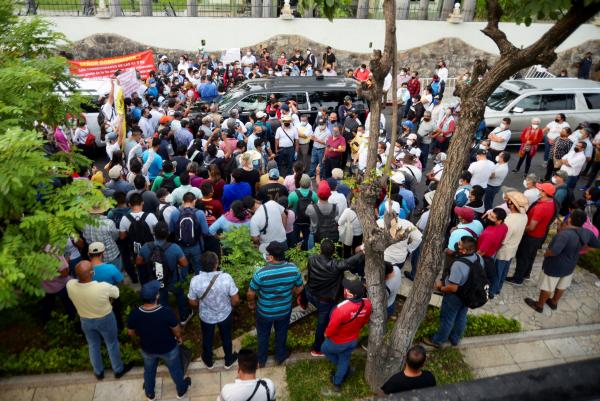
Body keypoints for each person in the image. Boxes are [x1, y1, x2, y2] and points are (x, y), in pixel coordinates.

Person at [66, 261, 132, 380]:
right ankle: (118, 369)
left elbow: (74, 280)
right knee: (112, 343)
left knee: (93, 345)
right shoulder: (103, 287)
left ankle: (98, 372)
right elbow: (116, 293)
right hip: (105, 318)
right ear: (92, 273)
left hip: (85, 319)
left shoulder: (70, 285)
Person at [525, 210, 600, 313]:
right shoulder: (587, 232)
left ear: (570, 219)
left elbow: (554, 251)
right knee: (562, 285)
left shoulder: (564, 234)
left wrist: (546, 253)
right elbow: (596, 245)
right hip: (571, 264)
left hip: (555, 265)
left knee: (548, 286)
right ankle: (554, 302)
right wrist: (582, 251)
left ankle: (539, 305)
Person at [127, 280, 191, 400]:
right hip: (168, 348)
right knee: (175, 370)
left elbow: (131, 332)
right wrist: (179, 338)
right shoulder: (166, 312)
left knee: (149, 371)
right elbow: (176, 330)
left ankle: (150, 393)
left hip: (147, 349)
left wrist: (139, 338)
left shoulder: (135, 314)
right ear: (157, 296)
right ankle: (181, 391)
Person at [247, 241, 303, 368]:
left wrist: (251, 304)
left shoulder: (260, 273)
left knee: (263, 335)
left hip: (264, 312)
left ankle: (261, 360)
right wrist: (291, 293)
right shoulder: (293, 269)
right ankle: (280, 357)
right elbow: (300, 288)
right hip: (284, 310)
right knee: (281, 333)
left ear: (271, 257)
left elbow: (251, 293)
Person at [305, 239, 364, 356]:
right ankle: (317, 349)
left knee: (305, 287)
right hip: (324, 301)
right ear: (333, 252)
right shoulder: (335, 265)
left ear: (320, 249)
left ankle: (302, 301)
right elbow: (350, 262)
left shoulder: (312, 259)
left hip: (311, 293)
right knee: (322, 325)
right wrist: (363, 252)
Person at [423, 236, 484, 348]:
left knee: (447, 318)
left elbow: (453, 288)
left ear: (464, 250)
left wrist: (441, 288)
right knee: (461, 315)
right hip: (468, 295)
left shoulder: (458, 265)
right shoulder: (478, 257)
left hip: (455, 297)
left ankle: (438, 340)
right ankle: (455, 339)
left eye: (459, 244)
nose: (457, 244)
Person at [188, 251, 239, 370]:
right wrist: (230, 305)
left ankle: (209, 361)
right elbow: (235, 300)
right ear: (216, 263)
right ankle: (228, 361)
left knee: (207, 338)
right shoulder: (226, 278)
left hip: (206, 316)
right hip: (225, 314)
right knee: (226, 337)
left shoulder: (195, 280)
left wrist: (200, 305)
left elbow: (192, 302)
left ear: (200, 264)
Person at [322, 272, 371, 393]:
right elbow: (364, 320)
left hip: (337, 341)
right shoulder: (368, 303)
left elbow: (332, 327)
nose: (344, 289)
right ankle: (337, 382)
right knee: (344, 358)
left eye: (346, 289)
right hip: (353, 339)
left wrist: (326, 334)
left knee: (324, 349)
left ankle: (342, 369)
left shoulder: (341, 309)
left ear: (351, 294)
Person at [136, 221, 193, 325]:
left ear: (153, 233)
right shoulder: (175, 248)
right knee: (180, 295)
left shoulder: (146, 247)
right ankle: (184, 317)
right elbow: (184, 264)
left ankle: (167, 320)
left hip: (155, 281)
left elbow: (138, 261)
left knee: (162, 300)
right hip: (173, 280)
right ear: (168, 234)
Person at [507, 183, 558, 285]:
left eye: (541, 190)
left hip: (531, 237)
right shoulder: (552, 203)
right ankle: (526, 274)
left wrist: (520, 229)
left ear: (545, 193)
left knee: (522, 257)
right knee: (530, 256)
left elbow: (531, 227)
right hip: (540, 235)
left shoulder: (541, 208)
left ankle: (518, 279)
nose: (539, 191)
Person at [491, 192, 529, 296]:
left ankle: (492, 291)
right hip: (513, 249)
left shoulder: (509, 220)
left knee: (497, 272)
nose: (507, 202)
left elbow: (503, 240)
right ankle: (498, 288)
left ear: (512, 205)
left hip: (503, 251)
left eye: (509, 201)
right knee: (504, 271)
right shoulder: (524, 216)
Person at [168, 192, 209, 275]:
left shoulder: (175, 213)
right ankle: (198, 285)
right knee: (198, 267)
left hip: (181, 246)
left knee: (184, 267)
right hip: (197, 245)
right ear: (194, 201)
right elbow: (205, 232)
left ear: (183, 201)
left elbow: (171, 230)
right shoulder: (200, 213)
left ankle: (184, 285)